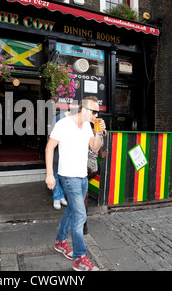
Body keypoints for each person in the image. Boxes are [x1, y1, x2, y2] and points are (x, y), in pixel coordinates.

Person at [45, 96, 105, 271]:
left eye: (97, 112)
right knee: (80, 216)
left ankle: (60, 241)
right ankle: (80, 258)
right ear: (84, 109)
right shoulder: (63, 124)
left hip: (82, 176)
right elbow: (50, 148)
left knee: (72, 211)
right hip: (68, 177)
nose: (96, 115)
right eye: (94, 111)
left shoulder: (87, 126)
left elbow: (94, 147)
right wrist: (50, 175)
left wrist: (99, 133)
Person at [50, 111, 70, 210]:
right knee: (55, 175)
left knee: (63, 176)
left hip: (67, 153)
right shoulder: (58, 119)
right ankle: (57, 198)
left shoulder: (76, 119)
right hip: (57, 151)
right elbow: (50, 138)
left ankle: (62, 196)